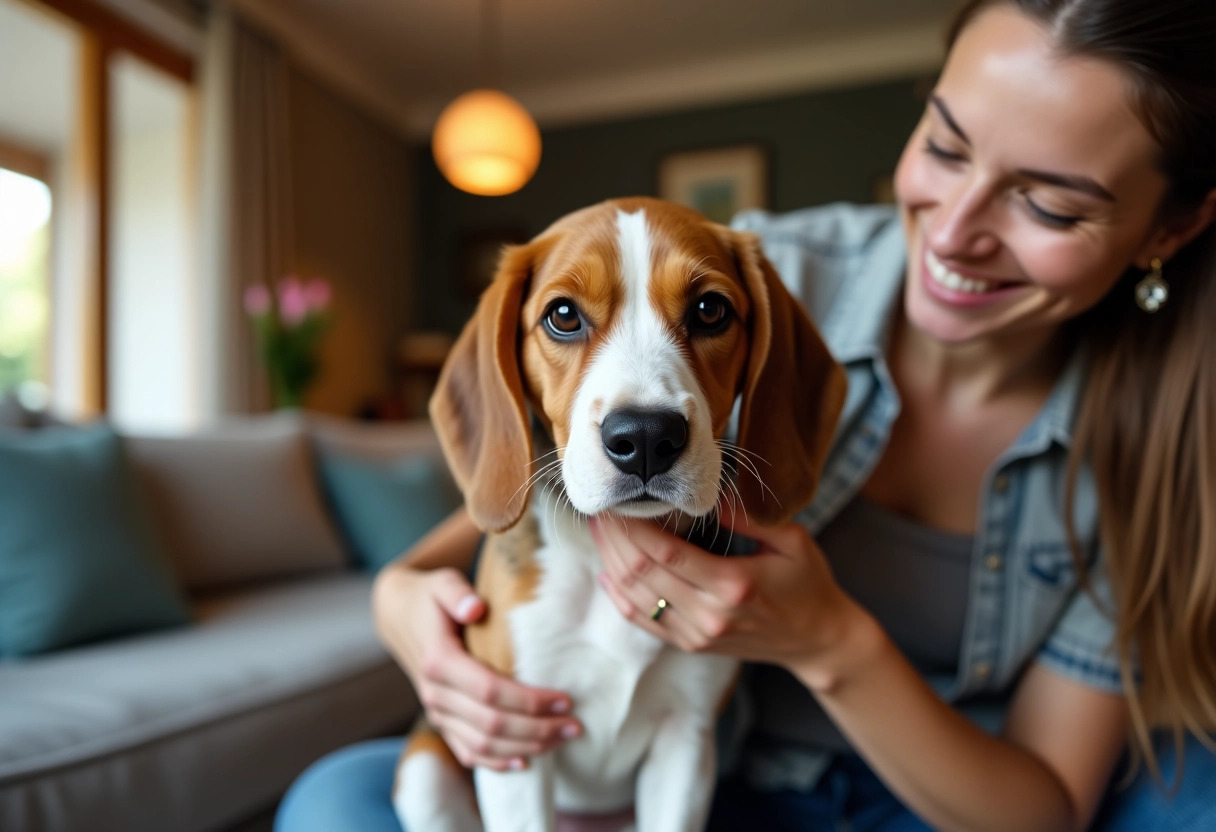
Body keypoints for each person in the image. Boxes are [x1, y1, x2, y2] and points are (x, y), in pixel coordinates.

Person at [275, 1, 1216, 829]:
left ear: (1169, 229)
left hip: (939, 794)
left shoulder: (1169, 440)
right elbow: (498, 512)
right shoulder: (761, 263)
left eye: (1049, 204)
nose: (959, 230)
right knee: (333, 802)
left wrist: (827, 640)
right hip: (729, 779)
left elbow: (1045, 806)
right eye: (943, 144)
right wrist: (399, 600)